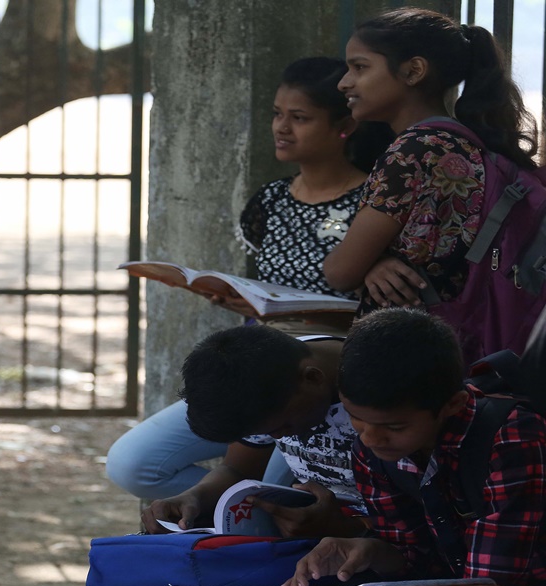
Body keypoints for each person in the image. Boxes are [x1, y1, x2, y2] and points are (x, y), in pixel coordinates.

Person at [107, 57, 391, 503]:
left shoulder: (373, 204)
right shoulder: (271, 200)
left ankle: (268, 523)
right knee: (132, 463)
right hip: (257, 371)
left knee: (282, 490)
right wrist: (242, 300)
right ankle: (233, 512)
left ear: (345, 126)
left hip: (317, 385)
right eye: (277, 114)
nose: (282, 127)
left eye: (299, 118)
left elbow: (387, 312)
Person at [231, 308, 546, 586]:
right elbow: (420, 561)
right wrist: (370, 550)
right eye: (356, 419)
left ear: (452, 405)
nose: (371, 438)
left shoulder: (511, 441)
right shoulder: (372, 448)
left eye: (394, 427)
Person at [323, 8, 539, 355]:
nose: (343, 82)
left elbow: (340, 271)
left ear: (413, 71)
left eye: (360, 67)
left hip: (402, 350)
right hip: (461, 349)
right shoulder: (469, 146)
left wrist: (365, 264)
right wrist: (374, 262)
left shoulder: (413, 151)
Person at [141, 327, 367, 539]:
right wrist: (195, 496)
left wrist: (350, 528)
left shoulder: (377, 390)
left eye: (284, 426)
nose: (278, 438)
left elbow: (400, 515)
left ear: (313, 378)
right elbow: (237, 470)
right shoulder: (263, 386)